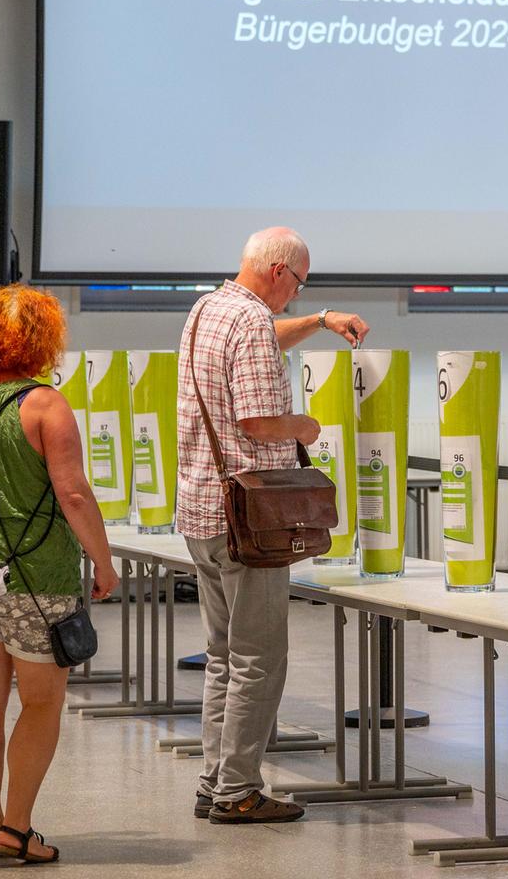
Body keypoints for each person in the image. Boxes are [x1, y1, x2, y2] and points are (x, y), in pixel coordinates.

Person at [178, 227, 370, 824]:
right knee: (259, 657)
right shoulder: (253, 324)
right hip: (249, 524)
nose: (296, 295)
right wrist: (305, 428)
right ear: (281, 271)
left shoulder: (208, 308)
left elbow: (262, 336)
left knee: (221, 656)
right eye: (300, 285)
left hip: (201, 510)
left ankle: (215, 781)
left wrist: (318, 320)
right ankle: (238, 790)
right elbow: (259, 419)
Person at [0, 283, 116, 864]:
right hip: (40, 579)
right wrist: (103, 562)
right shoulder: (45, 405)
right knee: (40, 702)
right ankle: (18, 828)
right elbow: (75, 495)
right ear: (44, 341)